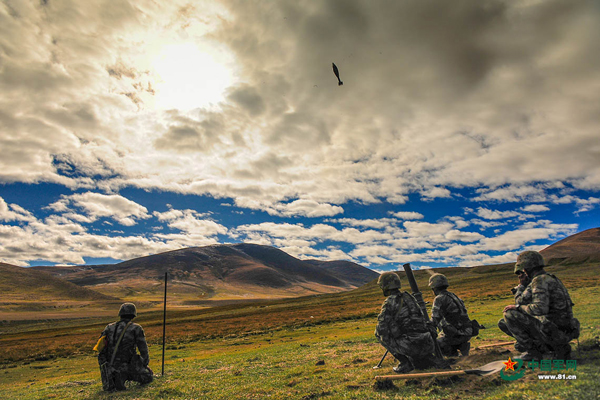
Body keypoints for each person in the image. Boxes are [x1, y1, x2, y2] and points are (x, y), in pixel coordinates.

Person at [502, 251, 580, 361]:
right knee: (503, 322)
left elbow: (538, 309)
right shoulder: (548, 278)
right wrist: (523, 286)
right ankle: (547, 347)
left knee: (509, 314)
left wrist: (519, 307)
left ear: (527, 267)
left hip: (552, 330)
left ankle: (534, 352)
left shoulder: (539, 281)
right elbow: (520, 300)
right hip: (564, 329)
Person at [375, 272, 441, 373]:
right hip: (428, 343)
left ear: (385, 286)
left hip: (411, 345)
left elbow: (382, 327)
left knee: (378, 333)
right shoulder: (410, 297)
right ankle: (425, 359)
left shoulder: (390, 302)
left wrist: (395, 331)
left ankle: (405, 363)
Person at [97, 303, 153, 391]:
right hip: (127, 365)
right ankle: (123, 377)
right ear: (133, 314)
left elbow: (100, 349)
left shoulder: (108, 327)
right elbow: (143, 350)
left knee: (115, 378)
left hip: (110, 367)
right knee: (148, 376)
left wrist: (105, 367)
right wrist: (143, 365)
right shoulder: (136, 328)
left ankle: (113, 379)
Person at [429, 273, 473, 357]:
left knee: (433, 344)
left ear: (434, 288)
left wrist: (427, 325)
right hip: (468, 331)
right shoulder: (454, 296)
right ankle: (461, 346)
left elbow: (435, 320)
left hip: (456, 334)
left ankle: (452, 353)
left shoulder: (439, 298)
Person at [497, 262, 531, 338]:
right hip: (532, 317)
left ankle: (529, 343)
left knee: (510, 313)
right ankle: (525, 340)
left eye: (522, 273)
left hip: (541, 320)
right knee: (502, 323)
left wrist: (521, 286)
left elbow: (520, 301)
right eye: (519, 274)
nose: (520, 276)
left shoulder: (536, 285)